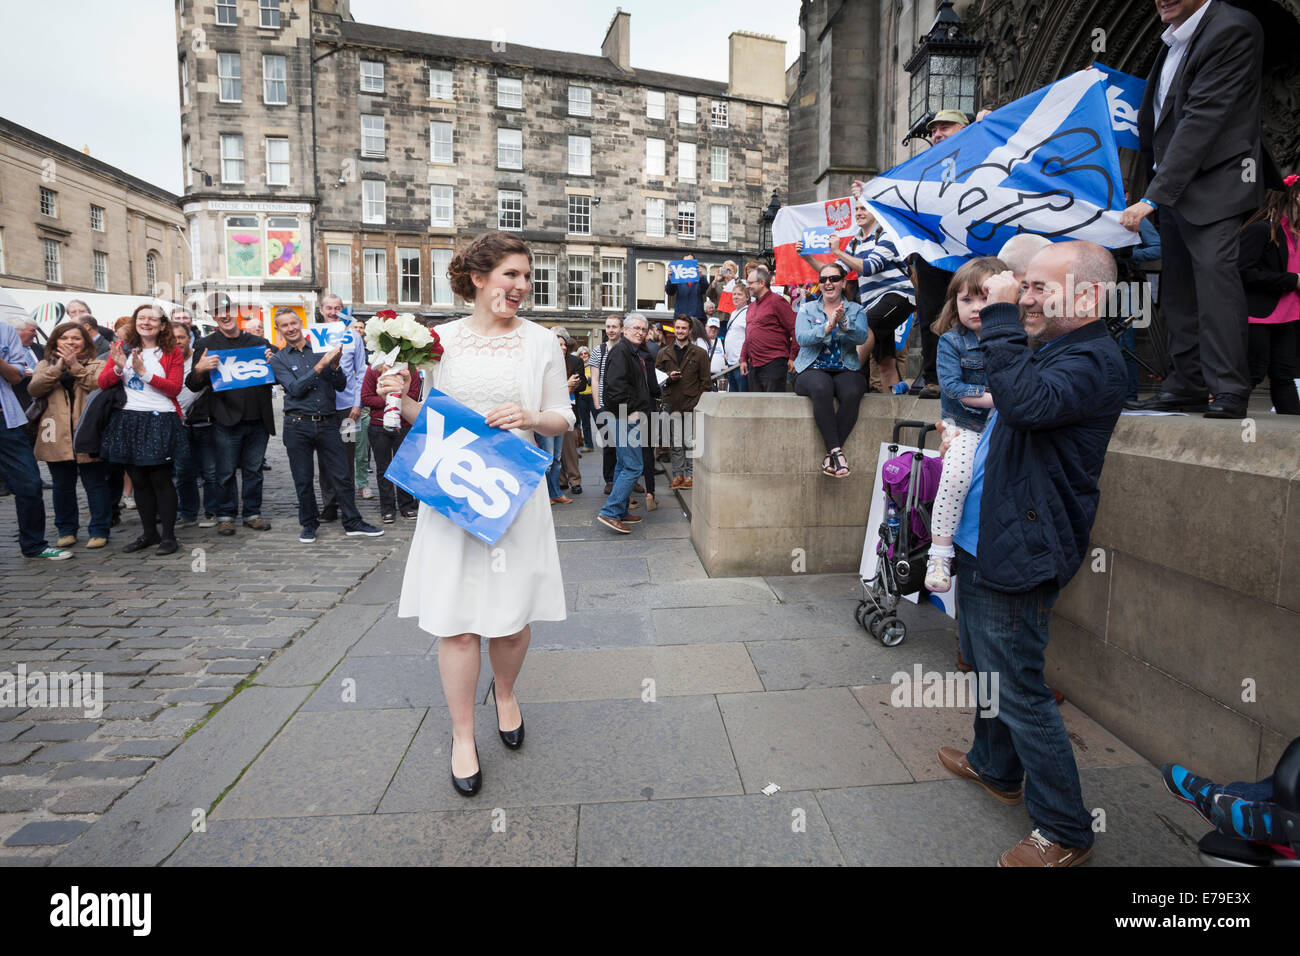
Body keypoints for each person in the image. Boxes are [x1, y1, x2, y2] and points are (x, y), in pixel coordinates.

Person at [937, 241, 1127, 867]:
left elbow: (1026, 403)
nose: (1024, 297)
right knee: (987, 667)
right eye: (1024, 286)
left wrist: (995, 316)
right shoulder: (1055, 350)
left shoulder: (1095, 359)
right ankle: (995, 765)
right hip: (983, 536)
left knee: (1018, 686)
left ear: (1089, 297)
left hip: (1022, 546)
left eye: (1039, 287)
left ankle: (1065, 829)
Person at [379, 233, 574, 796]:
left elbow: (563, 415)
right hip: (450, 492)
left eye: (526, 276)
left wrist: (532, 415)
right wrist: (401, 391)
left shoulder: (542, 342)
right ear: (479, 278)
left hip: (515, 488)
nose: (521, 286)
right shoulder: (435, 341)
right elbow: (424, 417)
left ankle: (506, 692)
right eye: (511, 275)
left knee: (511, 619)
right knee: (457, 623)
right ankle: (463, 736)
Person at [1124, 0, 1278, 419]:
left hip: (1215, 182)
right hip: (1174, 186)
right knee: (1178, 291)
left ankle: (1228, 388)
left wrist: (1154, 195)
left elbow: (1203, 118)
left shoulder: (1232, 28)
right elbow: (1162, 107)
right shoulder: (1171, 41)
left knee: (1215, 282)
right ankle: (1187, 384)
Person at [268, 308, 384, 543]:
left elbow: (340, 385)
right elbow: (295, 389)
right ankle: (309, 524)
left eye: (293, 323)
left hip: (328, 422)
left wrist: (335, 366)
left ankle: (352, 522)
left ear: (300, 323)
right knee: (302, 478)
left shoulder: (320, 349)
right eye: (284, 325)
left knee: (341, 475)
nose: (290, 328)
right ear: (278, 330)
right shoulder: (279, 359)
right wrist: (322, 365)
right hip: (297, 424)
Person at [925, 257, 1006, 592]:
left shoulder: (1011, 339)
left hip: (1000, 428)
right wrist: (1001, 396)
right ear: (954, 303)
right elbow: (955, 389)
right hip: (963, 427)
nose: (976, 307)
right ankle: (939, 553)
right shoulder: (952, 342)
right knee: (956, 476)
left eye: (985, 297)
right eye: (967, 300)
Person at [97, 304, 186, 555]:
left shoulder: (171, 352)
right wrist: (118, 367)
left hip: (160, 418)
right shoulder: (123, 349)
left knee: (160, 478)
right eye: (141, 318)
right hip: (129, 420)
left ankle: (168, 536)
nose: (146, 322)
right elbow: (103, 384)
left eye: (152, 319)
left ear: (162, 325)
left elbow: (174, 388)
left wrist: (143, 372)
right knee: (138, 480)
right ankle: (149, 533)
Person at [186, 293, 275, 536]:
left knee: (254, 471)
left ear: (234, 309)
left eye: (226, 308)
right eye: (216, 311)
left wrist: (274, 362)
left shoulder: (258, 342)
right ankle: (225, 515)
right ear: (212, 316)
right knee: (224, 472)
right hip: (225, 420)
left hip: (258, 419)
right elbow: (192, 385)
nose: (223, 314)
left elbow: (280, 375)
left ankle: (252, 513)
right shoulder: (205, 344)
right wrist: (199, 369)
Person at [28, 322, 111, 549]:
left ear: (85, 342)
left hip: (88, 431)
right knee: (62, 485)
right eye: (65, 338)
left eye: (76, 338)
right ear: (55, 341)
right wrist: (59, 367)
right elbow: (34, 389)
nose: (70, 342)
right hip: (55, 431)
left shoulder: (98, 363)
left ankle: (99, 529)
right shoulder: (46, 364)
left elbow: (98, 385)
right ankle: (66, 530)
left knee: (95, 484)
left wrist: (75, 367)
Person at [0, 317, 71, 559]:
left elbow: (16, 376)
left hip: (5, 420)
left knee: (29, 483)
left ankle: (34, 544)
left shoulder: (6, 331)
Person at [792, 263, 869, 477]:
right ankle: (837, 453)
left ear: (843, 282)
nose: (828, 283)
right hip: (811, 368)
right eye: (823, 279)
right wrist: (826, 328)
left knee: (854, 391)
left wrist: (843, 323)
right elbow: (802, 338)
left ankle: (830, 455)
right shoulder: (807, 308)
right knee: (821, 387)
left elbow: (861, 337)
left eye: (834, 278)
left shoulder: (856, 309)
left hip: (846, 367)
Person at [1238, 177, 1300, 414]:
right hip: (1258, 313)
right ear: (1295, 196)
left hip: (1287, 315)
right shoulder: (1261, 229)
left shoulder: (1296, 233)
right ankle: (1226, 409)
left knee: (1283, 373)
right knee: (1254, 369)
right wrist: (1293, 280)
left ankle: (1293, 428)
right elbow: (1243, 272)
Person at [316, 294, 372, 518]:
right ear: (321, 310)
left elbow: (361, 371)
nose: (332, 312)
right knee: (324, 457)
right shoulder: (314, 335)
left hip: (348, 407)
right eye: (328, 308)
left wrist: (358, 403)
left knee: (347, 454)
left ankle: (347, 502)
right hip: (323, 409)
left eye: (337, 308)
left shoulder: (353, 337)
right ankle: (329, 504)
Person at [597, 314, 650, 533]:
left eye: (644, 329)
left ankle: (619, 511)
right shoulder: (621, 351)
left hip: (624, 415)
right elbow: (614, 387)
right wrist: (629, 411)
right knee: (634, 466)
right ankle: (610, 512)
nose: (640, 332)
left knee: (622, 464)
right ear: (625, 331)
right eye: (636, 328)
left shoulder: (629, 351)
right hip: (623, 416)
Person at [360, 358, 421, 523]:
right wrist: (391, 399)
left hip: (404, 425)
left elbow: (414, 396)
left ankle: (407, 505)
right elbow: (366, 398)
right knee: (383, 468)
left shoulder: (410, 370)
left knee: (405, 467)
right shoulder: (374, 369)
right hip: (379, 427)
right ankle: (387, 508)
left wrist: (394, 398)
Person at [656, 316, 711, 490]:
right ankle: (677, 475)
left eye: (683, 328)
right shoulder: (663, 353)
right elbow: (657, 379)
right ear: (674, 329)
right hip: (671, 403)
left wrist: (698, 401)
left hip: (691, 403)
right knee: (675, 442)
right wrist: (668, 378)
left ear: (689, 331)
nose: (680, 331)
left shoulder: (700, 353)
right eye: (678, 328)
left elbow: (706, 382)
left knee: (690, 441)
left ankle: (690, 475)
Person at [170, 322, 213, 528]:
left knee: (211, 470)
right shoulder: (164, 360)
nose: (177, 341)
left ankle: (212, 512)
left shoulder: (200, 356)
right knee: (183, 472)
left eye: (181, 337)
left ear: (189, 339)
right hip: (177, 423)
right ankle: (188, 512)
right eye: (172, 337)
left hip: (203, 420)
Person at [738, 264, 798, 392]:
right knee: (756, 406)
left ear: (762, 283)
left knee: (773, 407)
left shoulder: (777, 302)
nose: (747, 286)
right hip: (754, 364)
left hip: (774, 363)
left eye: (750, 283)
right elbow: (749, 335)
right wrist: (743, 358)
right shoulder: (751, 306)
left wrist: (793, 356)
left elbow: (795, 328)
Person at [587, 315, 624, 495]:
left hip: (624, 405)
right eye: (608, 326)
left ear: (621, 329)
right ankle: (609, 479)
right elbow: (594, 379)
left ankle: (626, 478)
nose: (610, 330)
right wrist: (597, 405)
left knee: (626, 444)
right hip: (603, 404)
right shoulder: (598, 350)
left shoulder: (627, 349)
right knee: (609, 444)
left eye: (614, 327)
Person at [552, 328, 586, 496]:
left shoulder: (575, 362)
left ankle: (575, 480)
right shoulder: (545, 362)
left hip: (570, 411)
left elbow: (584, 384)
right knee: (553, 450)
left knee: (570, 448)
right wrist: (566, 384)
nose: (564, 348)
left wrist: (575, 384)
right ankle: (560, 481)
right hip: (550, 412)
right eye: (559, 345)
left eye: (565, 344)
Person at [664, 252, 708, 321]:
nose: (687, 264)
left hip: (697, 316)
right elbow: (670, 292)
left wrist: (701, 278)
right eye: (685, 262)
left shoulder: (700, 277)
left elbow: (705, 290)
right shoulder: (677, 277)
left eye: (689, 261)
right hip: (681, 316)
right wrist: (670, 280)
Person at [723, 285, 750, 392]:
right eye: (734, 294)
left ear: (747, 297)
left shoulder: (748, 312)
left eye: (739, 294)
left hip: (741, 362)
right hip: (731, 362)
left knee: (742, 396)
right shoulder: (733, 313)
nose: (736, 297)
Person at [574, 345, 596, 449]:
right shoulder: (578, 366)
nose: (583, 355)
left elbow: (597, 378)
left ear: (589, 354)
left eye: (585, 353)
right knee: (585, 423)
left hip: (593, 396)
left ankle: (608, 444)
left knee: (599, 421)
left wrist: (591, 380)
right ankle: (588, 445)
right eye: (581, 354)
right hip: (581, 397)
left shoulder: (593, 365)